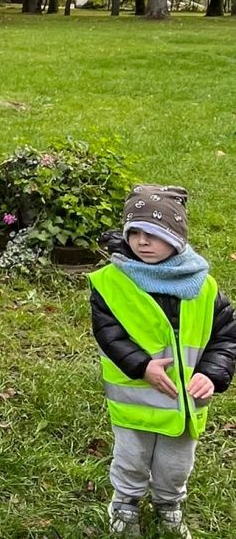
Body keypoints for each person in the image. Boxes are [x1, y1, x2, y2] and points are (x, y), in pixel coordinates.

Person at [90, 185, 236, 538]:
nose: (142, 242)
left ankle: (169, 502)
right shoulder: (112, 282)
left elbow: (226, 336)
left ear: (176, 236)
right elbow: (109, 333)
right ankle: (125, 502)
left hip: (183, 402)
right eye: (134, 233)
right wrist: (142, 366)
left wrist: (212, 374)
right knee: (131, 457)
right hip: (135, 401)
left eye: (154, 234)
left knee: (175, 465)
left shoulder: (203, 285)